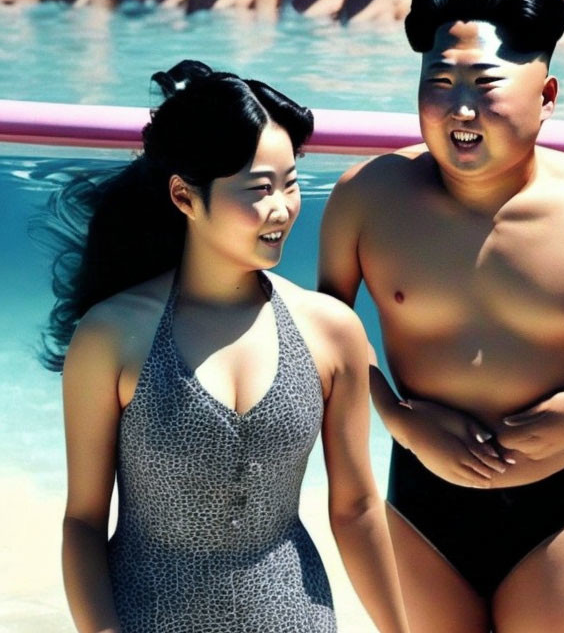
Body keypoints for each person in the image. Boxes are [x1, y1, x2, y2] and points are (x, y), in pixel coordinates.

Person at [318, 0, 564, 632]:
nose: (459, 110)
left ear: (546, 96)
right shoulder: (367, 197)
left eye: (484, 86)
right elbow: (326, 331)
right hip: (424, 482)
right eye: (438, 84)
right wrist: (396, 416)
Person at [44, 60, 409, 633]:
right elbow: (83, 524)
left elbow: (357, 510)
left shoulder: (331, 331)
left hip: (295, 616)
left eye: (291, 183)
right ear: (185, 197)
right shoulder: (111, 335)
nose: (283, 208)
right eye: (259, 189)